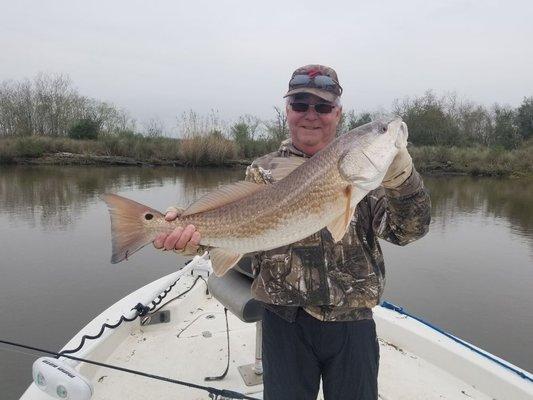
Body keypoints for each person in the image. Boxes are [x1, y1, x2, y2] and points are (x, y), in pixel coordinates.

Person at [154, 64, 431, 400]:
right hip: (283, 323)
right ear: (287, 110)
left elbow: (407, 232)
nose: (310, 115)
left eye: (323, 107)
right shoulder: (263, 171)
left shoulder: (373, 179)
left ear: (338, 114)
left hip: (352, 322)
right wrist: (190, 241)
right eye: (300, 105)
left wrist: (403, 179)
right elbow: (238, 230)